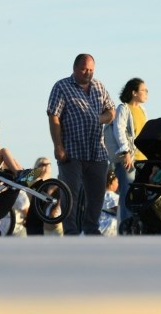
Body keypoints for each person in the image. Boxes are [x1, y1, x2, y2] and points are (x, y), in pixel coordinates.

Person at [47, 54, 115, 236]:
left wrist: (100, 118)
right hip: (72, 150)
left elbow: (111, 110)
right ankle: (70, 231)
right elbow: (54, 116)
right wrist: (58, 146)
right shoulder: (62, 86)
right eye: (84, 69)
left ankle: (91, 228)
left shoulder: (99, 86)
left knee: (97, 194)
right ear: (75, 68)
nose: (88, 73)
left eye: (91, 70)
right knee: (71, 194)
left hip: (97, 151)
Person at [107, 78, 149, 228]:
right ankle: (126, 227)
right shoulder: (124, 109)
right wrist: (125, 152)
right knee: (127, 194)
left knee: (141, 196)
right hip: (128, 159)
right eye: (144, 90)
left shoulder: (142, 111)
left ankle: (139, 227)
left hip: (143, 160)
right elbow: (119, 130)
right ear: (134, 92)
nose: (146, 93)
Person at [99, 169, 119, 237]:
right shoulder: (116, 198)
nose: (117, 184)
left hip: (96, 225)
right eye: (117, 182)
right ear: (112, 182)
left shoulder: (96, 197)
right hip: (110, 226)